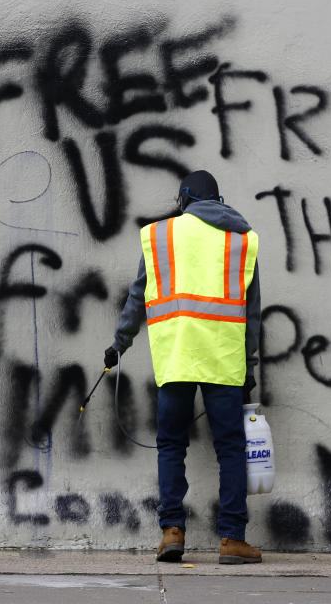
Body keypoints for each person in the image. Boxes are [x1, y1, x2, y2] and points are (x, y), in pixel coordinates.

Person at [105, 169, 262, 565]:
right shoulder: (241, 239)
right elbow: (252, 314)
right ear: (218, 200)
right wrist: (250, 367)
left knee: (171, 445)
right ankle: (232, 540)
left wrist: (118, 345)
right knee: (230, 448)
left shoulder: (159, 237)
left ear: (184, 200)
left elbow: (137, 298)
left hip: (176, 356)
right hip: (223, 360)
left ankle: (172, 532)